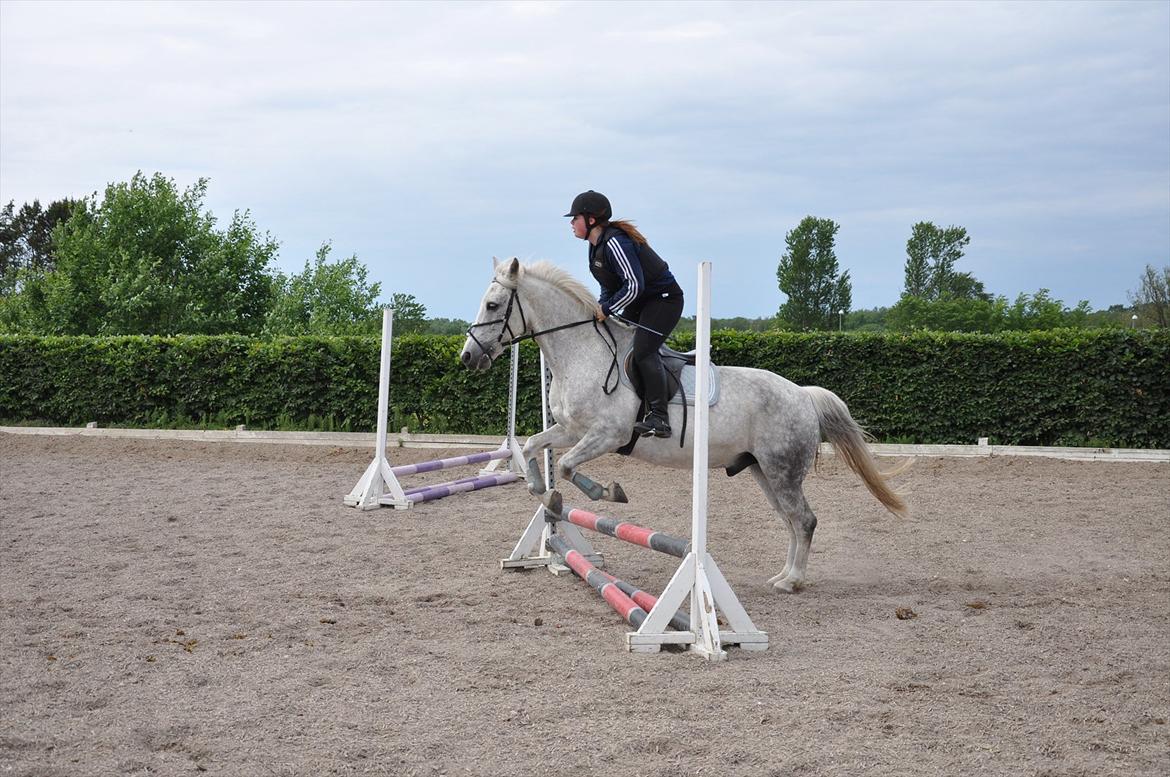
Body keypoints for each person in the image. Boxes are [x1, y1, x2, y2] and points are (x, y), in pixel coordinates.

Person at [565, 190, 684, 439]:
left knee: (642, 350)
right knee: (615, 342)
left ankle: (660, 418)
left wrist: (607, 309)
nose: (571, 223)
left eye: (575, 218)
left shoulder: (615, 242)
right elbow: (609, 287)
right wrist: (600, 308)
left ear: (591, 219)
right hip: (641, 302)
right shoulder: (594, 248)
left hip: (663, 301)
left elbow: (634, 285)